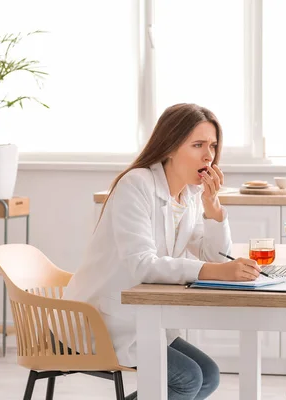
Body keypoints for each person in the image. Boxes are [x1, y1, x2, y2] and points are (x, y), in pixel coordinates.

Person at [63, 103, 261, 399]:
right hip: (102, 321)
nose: (209, 155)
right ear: (169, 147)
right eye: (197, 145)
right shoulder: (136, 185)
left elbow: (216, 256)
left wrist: (213, 209)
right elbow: (142, 265)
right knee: (189, 378)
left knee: (208, 376)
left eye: (213, 146)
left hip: (141, 318)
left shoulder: (190, 195)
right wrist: (214, 271)